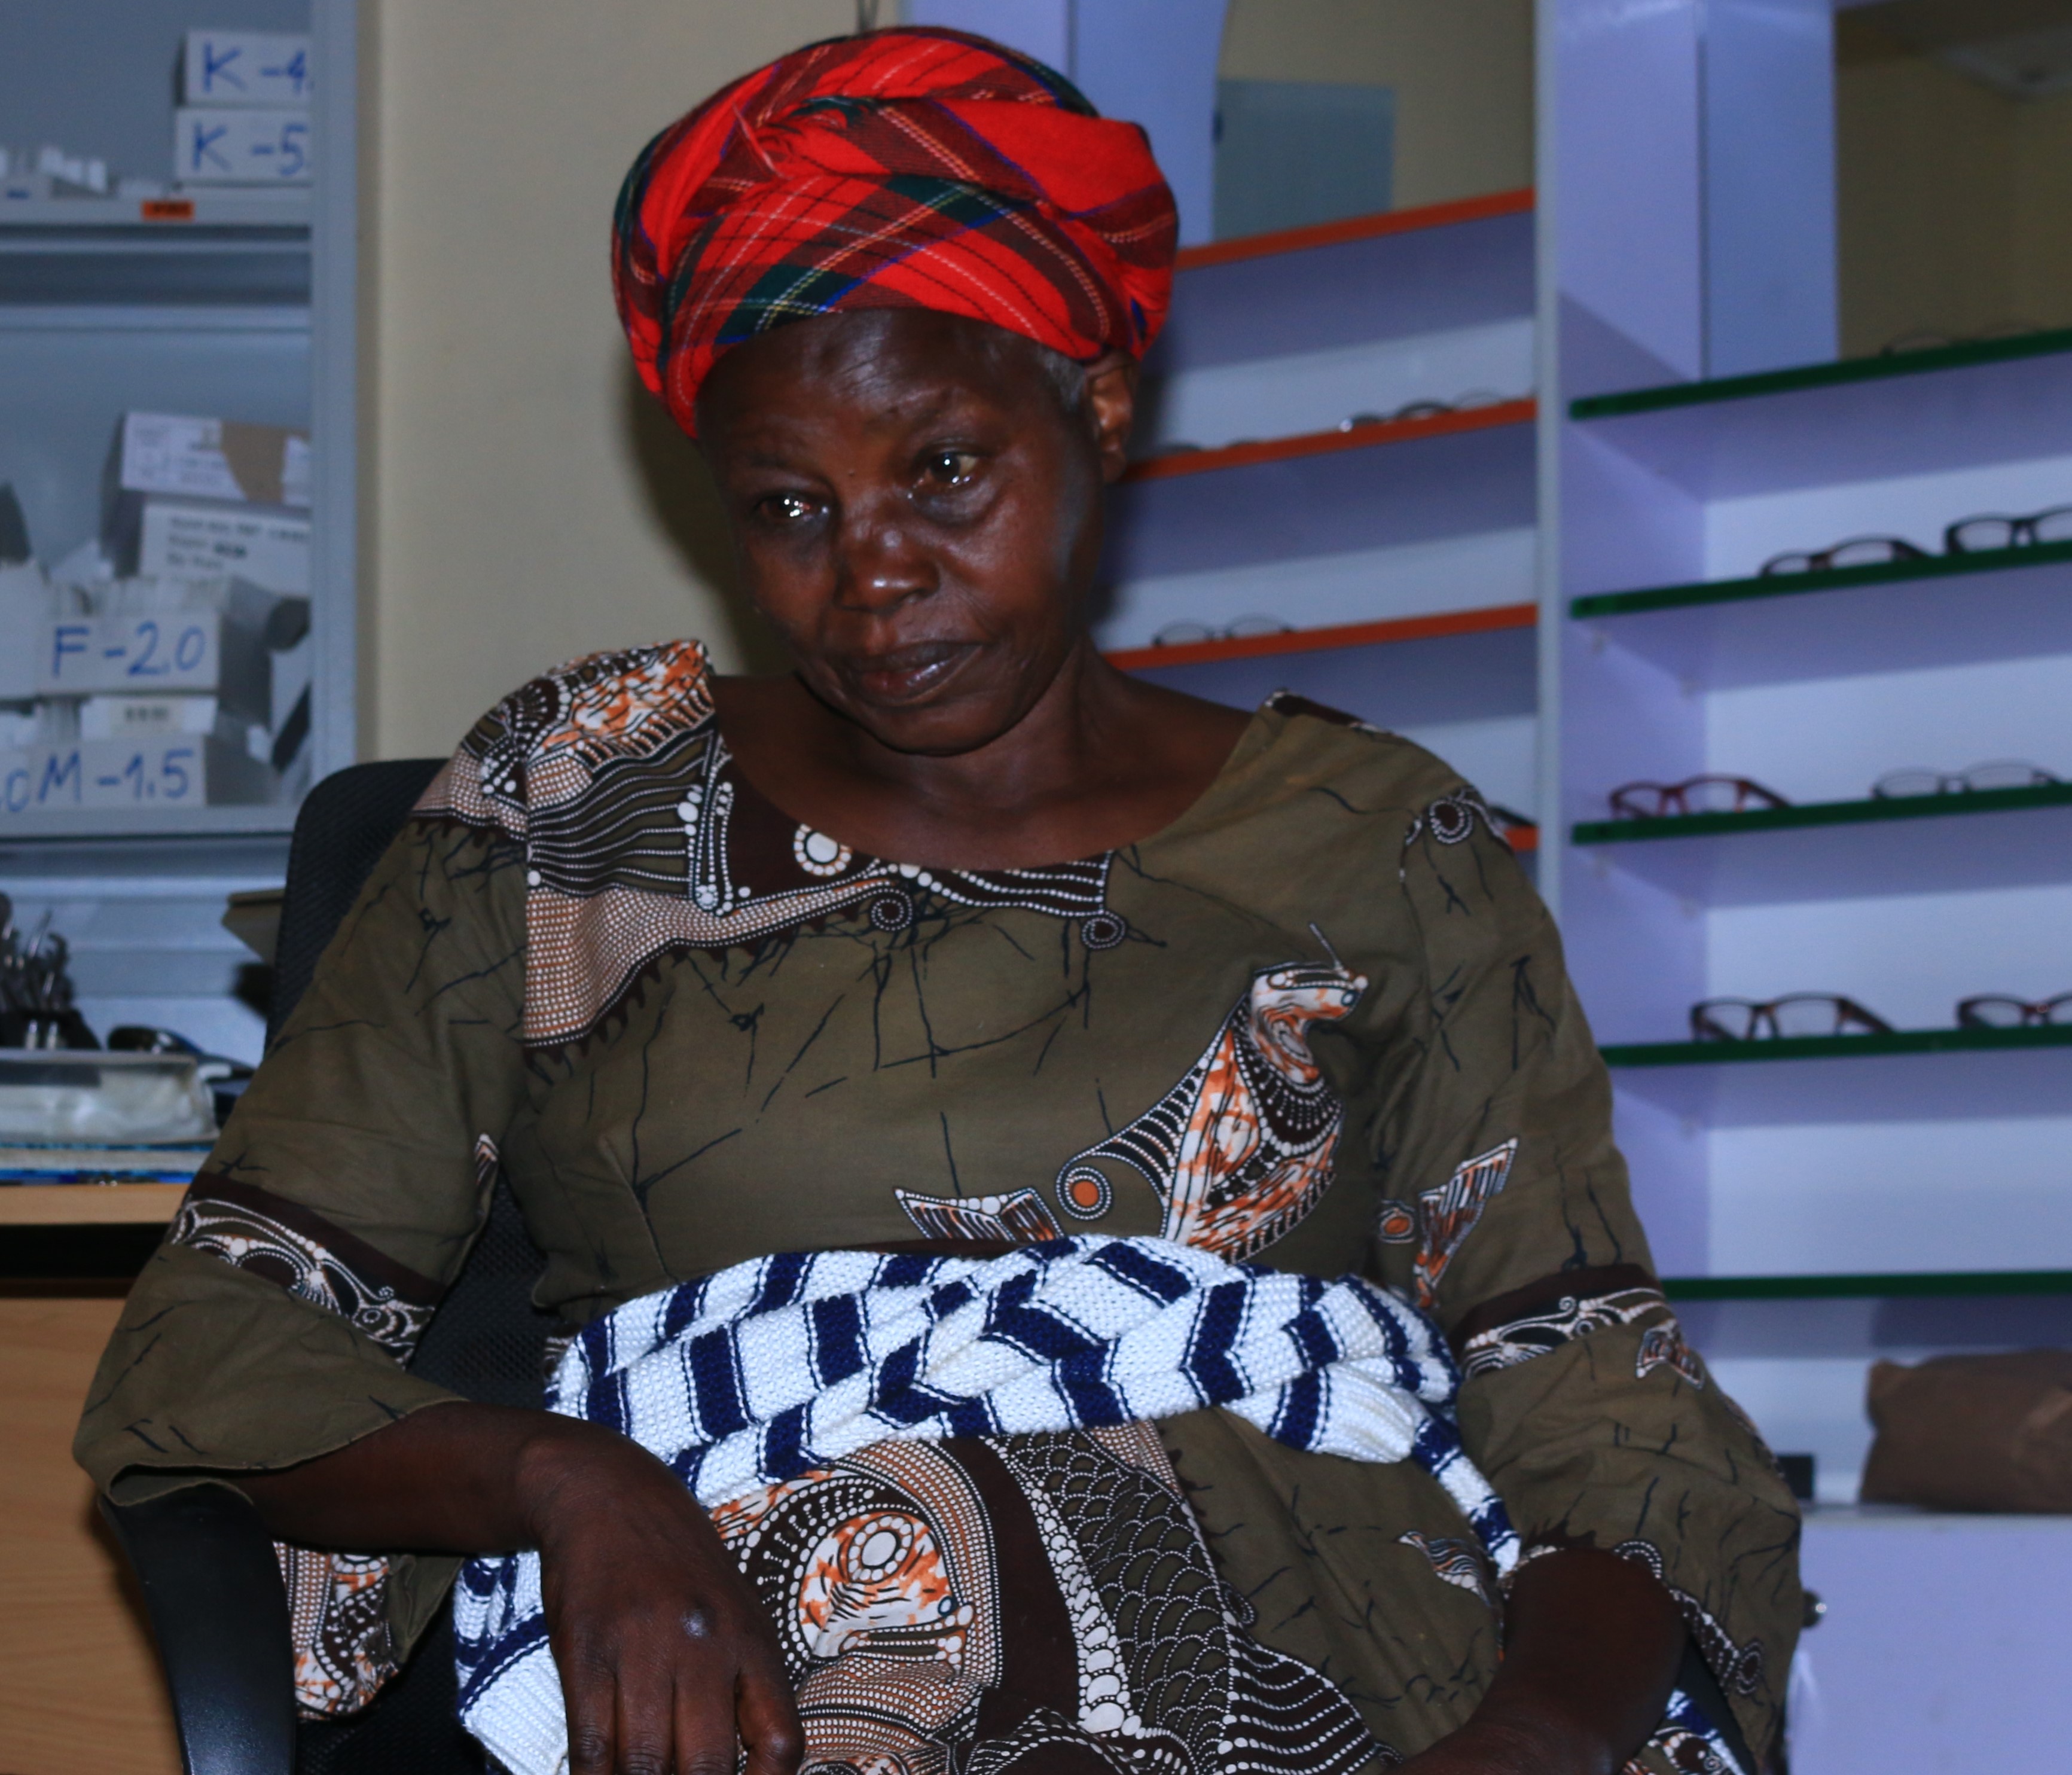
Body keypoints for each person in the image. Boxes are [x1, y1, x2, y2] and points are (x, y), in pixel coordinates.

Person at [78, 27, 1800, 1775]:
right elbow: (218, 1343)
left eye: (946, 472)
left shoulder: (1372, 840)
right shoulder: (570, 804)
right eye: (788, 507)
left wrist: (1537, 1741)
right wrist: (571, 1481)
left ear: (1097, 410)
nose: (873, 574)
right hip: (775, 1675)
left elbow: (1602, 1401)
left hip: (1343, 1672)